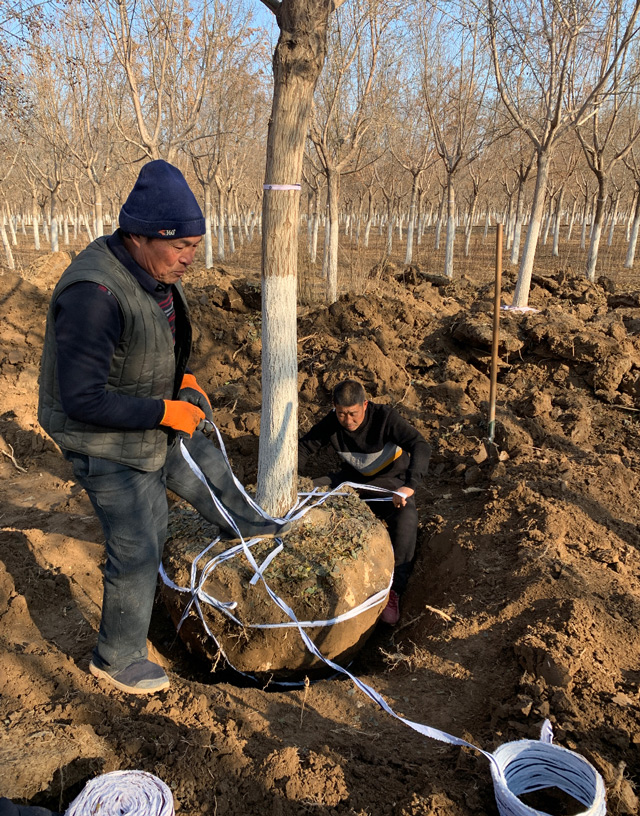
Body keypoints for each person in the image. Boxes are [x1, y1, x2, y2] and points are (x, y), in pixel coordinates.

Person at [38, 160, 287, 695]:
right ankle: (117, 657)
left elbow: (159, 340)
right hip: (102, 440)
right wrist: (163, 412)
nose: (190, 259)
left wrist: (185, 378)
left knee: (210, 466)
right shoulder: (92, 296)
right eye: (182, 247)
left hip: (147, 412)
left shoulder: (153, 273)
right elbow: (82, 399)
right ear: (142, 235)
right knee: (141, 541)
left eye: (195, 246)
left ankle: (255, 531)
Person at [298, 379, 431, 626]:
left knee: (407, 519)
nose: (348, 421)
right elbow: (304, 447)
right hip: (353, 483)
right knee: (306, 492)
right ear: (334, 409)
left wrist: (409, 486)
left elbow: (419, 444)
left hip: (390, 484)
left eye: (353, 414)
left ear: (365, 405)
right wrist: (290, 479)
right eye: (341, 414)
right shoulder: (332, 422)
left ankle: (394, 591)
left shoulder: (385, 418)